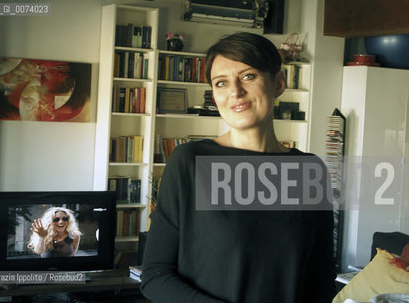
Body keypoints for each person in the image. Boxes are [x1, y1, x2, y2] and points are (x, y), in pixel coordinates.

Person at [141, 32, 336, 302]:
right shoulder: (190, 161)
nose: (235, 91)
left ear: (279, 82)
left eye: (248, 76)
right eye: (221, 83)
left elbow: (321, 279)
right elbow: (154, 275)